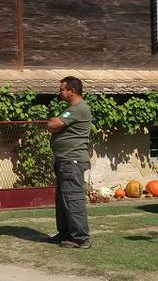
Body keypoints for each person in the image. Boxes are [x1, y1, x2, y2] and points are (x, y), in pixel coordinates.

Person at [46, 76, 92, 249]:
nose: (59, 92)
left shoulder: (78, 109)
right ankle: (65, 233)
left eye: (62, 89)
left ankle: (81, 238)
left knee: (72, 198)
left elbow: (53, 124)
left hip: (72, 160)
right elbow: (55, 125)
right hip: (65, 160)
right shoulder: (72, 109)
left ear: (72, 91)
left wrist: (53, 121)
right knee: (63, 199)